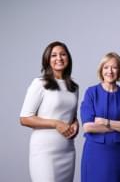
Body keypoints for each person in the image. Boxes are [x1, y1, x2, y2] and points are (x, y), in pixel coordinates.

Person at [19, 41, 79, 182]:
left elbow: (72, 115)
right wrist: (56, 124)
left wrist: (76, 124)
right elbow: (24, 118)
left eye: (63, 54)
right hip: (44, 152)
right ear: (47, 59)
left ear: (68, 58)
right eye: (54, 55)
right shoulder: (40, 83)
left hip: (67, 150)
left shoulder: (74, 87)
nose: (59, 58)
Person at [80, 52, 120, 182]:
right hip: (95, 152)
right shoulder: (91, 93)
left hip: (117, 152)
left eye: (114, 67)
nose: (110, 71)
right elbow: (88, 127)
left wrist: (105, 122)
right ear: (101, 70)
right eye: (106, 67)